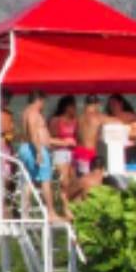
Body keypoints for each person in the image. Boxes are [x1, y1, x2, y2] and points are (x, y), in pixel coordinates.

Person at [17, 90, 68, 222]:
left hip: (29, 148)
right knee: (45, 181)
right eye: (44, 101)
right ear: (39, 99)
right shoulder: (33, 113)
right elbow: (33, 132)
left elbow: (41, 135)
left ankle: (25, 213)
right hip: (35, 148)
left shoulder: (26, 112)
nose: (44, 104)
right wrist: (39, 151)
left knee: (29, 181)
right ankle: (51, 213)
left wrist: (62, 142)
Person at [106, 94, 136, 171]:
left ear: (121, 104)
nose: (112, 106)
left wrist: (120, 134)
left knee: (132, 173)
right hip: (113, 152)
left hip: (129, 151)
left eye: (114, 103)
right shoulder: (108, 118)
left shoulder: (130, 117)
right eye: (110, 104)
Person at [48, 96, 78, 191]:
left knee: (73, 180)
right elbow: (50, 139)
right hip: (60, 152)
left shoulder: (75, 121)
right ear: (66, 107)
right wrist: (64, 142)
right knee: (64, 182)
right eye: (73, 106)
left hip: (72, 153)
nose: (75, 109)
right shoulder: (56, 120)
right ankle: (65, 205)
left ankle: (71, 203)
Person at [74, 94, 104, 175]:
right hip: (88, 153)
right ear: (97, 104)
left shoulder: (79, 117)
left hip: (78, 151)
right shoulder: (97, 117)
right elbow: (114, 121)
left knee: (80, 179)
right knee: (90, 179)